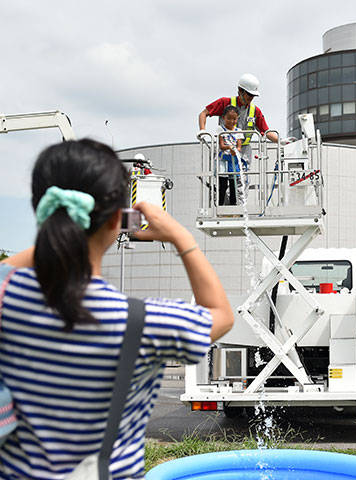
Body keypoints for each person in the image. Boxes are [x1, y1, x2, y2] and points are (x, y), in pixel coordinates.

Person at [0, 139, 234, 479]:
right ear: (116, 221)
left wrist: (56, 233)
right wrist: (181, 238)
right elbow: (221, 315)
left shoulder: (8, 294)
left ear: (41, 209)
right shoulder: (143, 322)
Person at [198, 73, 279, 160]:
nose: (251, 98)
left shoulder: (255, 111)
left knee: (242, 173)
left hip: (243, 154)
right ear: (240, 90)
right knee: (223, 172)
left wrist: (281, 141)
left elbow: (266, 132)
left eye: (253, 95)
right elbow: (203, 114)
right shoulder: (225, 103)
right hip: (224, 151)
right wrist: (202, 131)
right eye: (249, 94)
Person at [215, 105, 244, 206]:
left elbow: (239, 147)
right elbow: (222, 145)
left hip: (233, 159)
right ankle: (220, 205)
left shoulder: (239, 131)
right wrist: (230, 147)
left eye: (234, 119)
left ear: (237, 118)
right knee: (222, 184)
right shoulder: (220, 129)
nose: (231, 121)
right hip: (223, 159)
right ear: (223, 118)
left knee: (234, 184)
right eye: (229, 118)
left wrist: (235, 150)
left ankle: (233, 206)